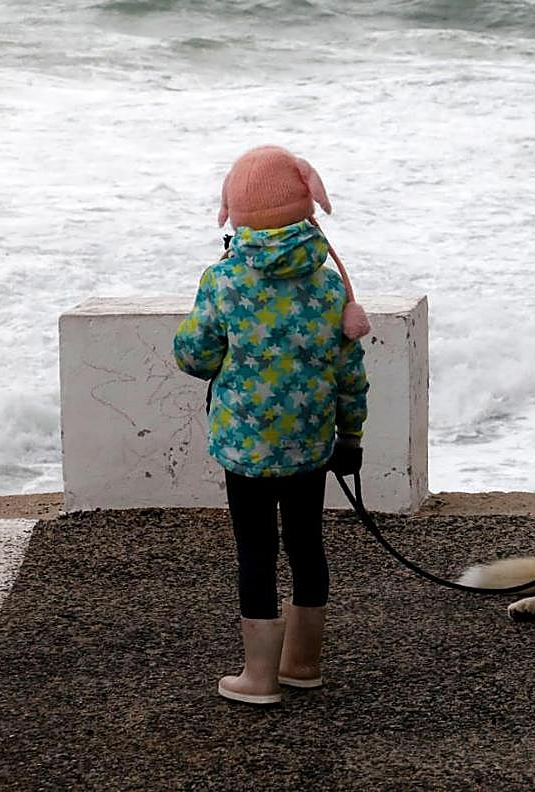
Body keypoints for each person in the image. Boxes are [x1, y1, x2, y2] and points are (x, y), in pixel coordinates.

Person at [173, 146, 370, 705]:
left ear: (236, 212)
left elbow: (195, 356)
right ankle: (303, 663)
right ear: (305, 203)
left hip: (247, 448)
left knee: (256, 551)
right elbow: (349, 372)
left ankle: (258, 677)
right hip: (311, 446)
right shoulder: (331, 286)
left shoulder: (224, 281)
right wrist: (350, 437)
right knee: (307, 546)